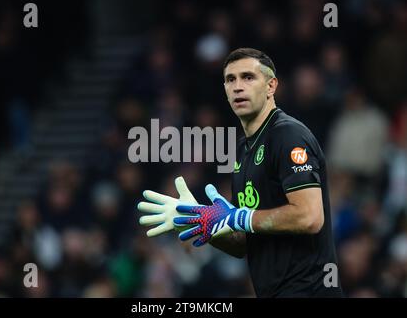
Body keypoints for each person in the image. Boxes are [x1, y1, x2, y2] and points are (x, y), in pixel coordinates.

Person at [138, 48, 343, 298]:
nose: (237, 86)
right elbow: (242, 243)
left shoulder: (288, 135)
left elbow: (309, 217)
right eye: (230, 79)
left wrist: (239, 217)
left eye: (248, 77)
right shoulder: (242, 150)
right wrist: (200, 220)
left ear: (271, 86)